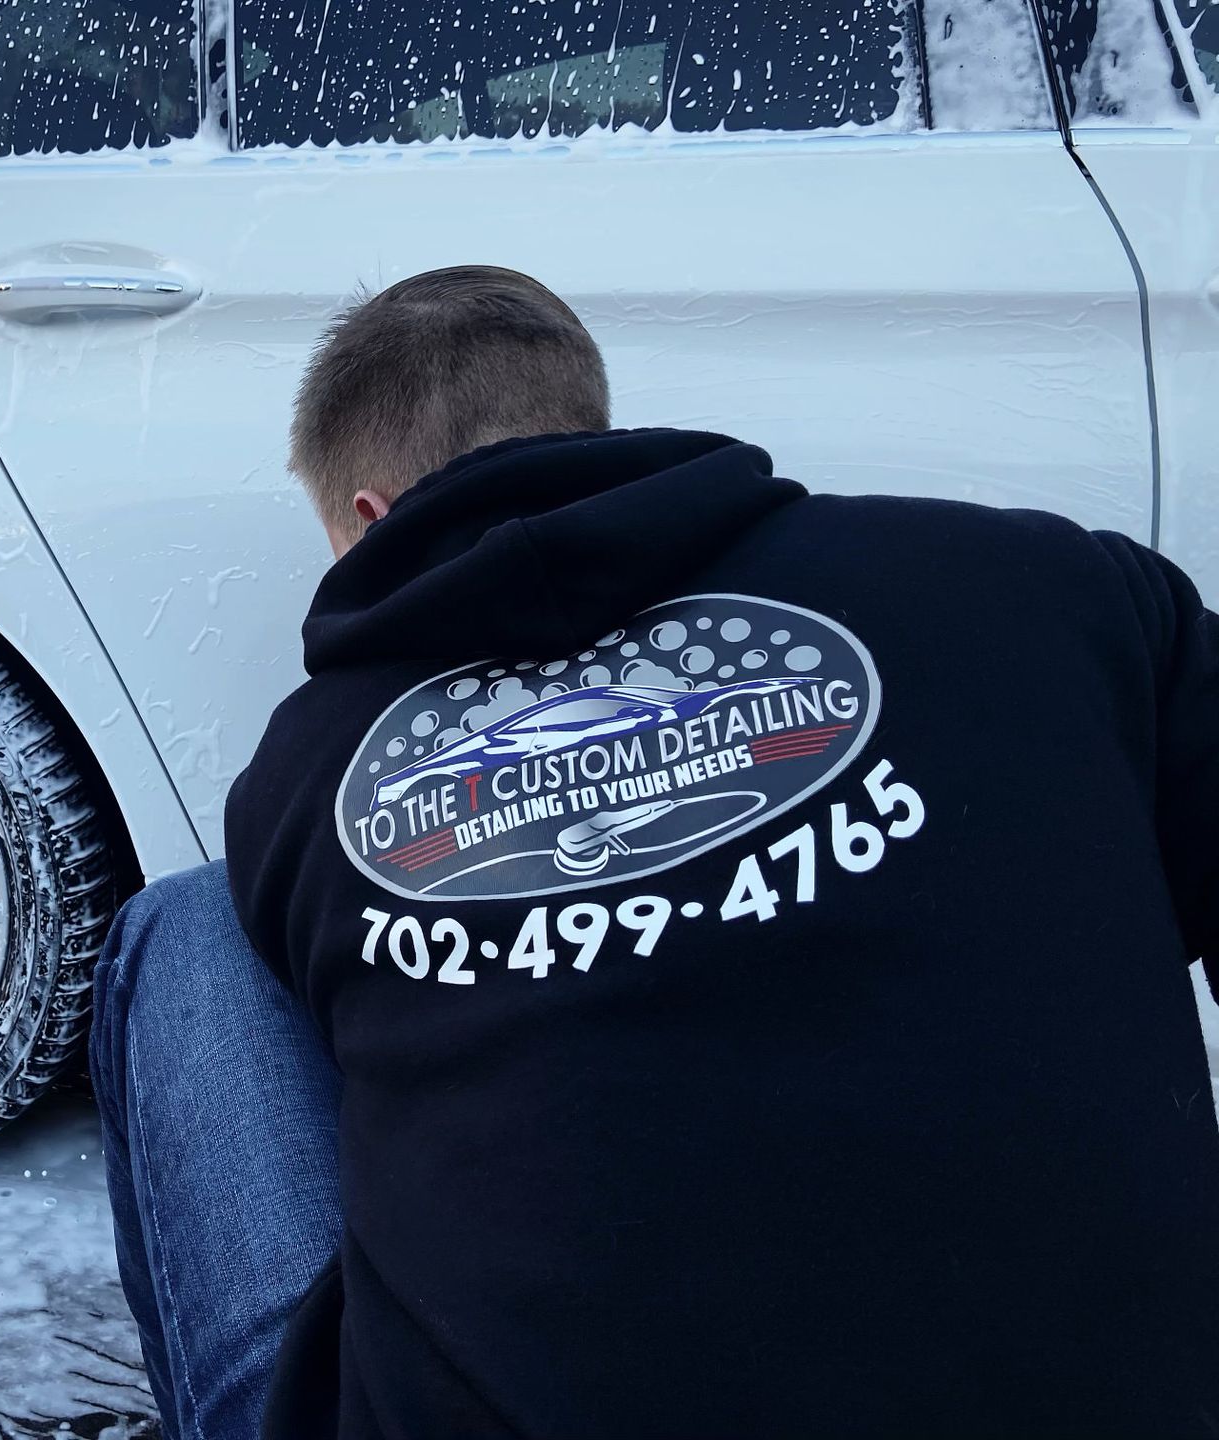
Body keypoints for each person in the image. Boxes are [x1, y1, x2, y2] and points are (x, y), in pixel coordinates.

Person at [90, 265, 1219, 1439]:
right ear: (586, 427)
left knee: (189, 924)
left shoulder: (308, 776)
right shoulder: (1051, 587)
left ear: (369, 519)